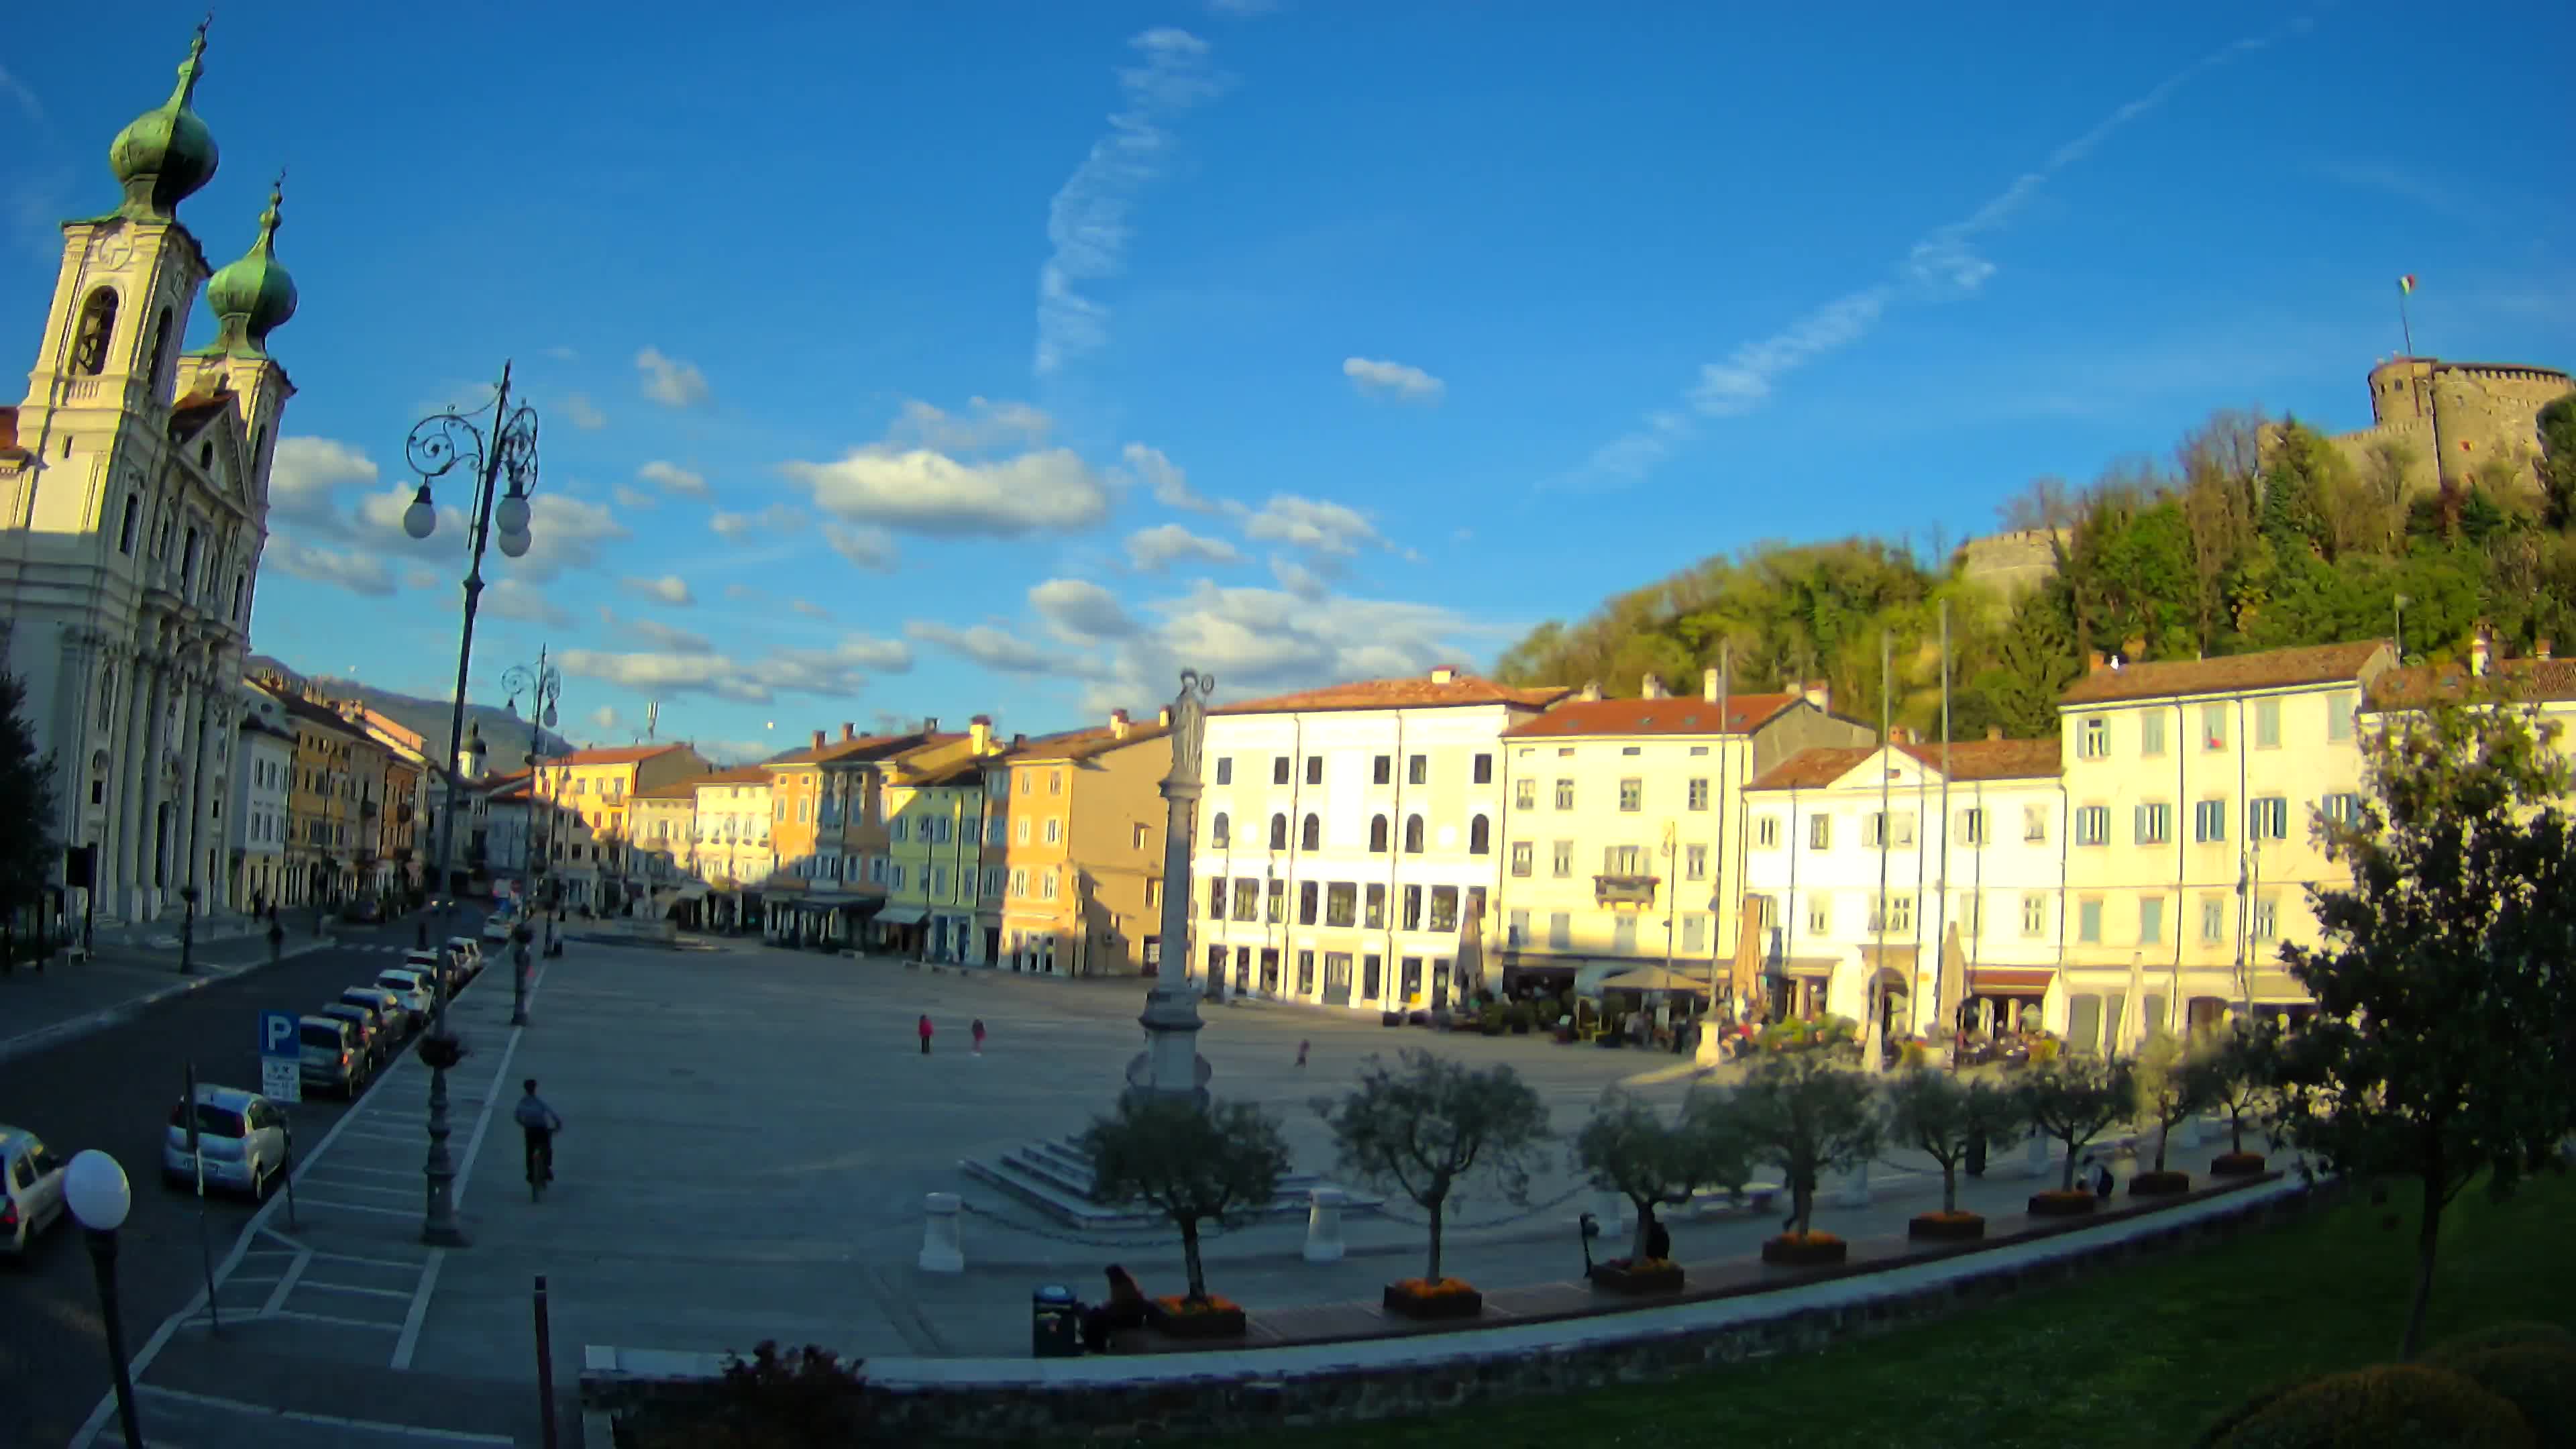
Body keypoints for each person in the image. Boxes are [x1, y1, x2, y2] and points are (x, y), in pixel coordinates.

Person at [515, 1078, 562, 1187]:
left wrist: (524, 1124)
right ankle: (546, 1169)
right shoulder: (539, 1102)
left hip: (530, 1129)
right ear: (535, 1088)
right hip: (541, 1129)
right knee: (547, 1149)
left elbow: (517, 1116)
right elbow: (552, 1114)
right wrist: (557, 1124)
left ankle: (531, 1174)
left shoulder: (523, 1102)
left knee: (529, 1151)